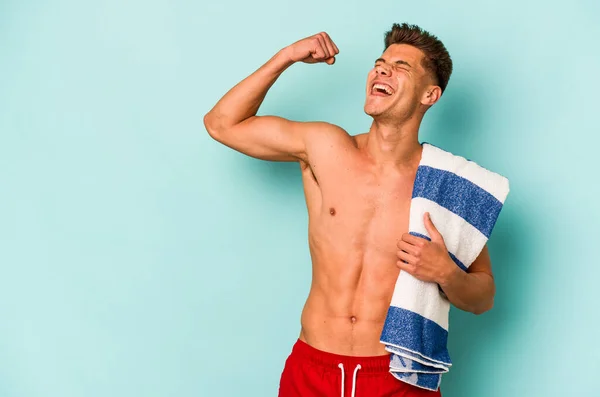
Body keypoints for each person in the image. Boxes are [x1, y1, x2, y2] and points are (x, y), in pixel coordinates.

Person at [204, 22, 496, 397]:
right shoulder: (324, 147)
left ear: (430, 95)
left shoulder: (446, 184)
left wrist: (446, 273)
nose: (382, 69)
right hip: (313, 369)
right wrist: (287, 56)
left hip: (398, 377)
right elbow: (221, 124)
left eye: (401, 66)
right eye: (380, 62)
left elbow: (483, 297)